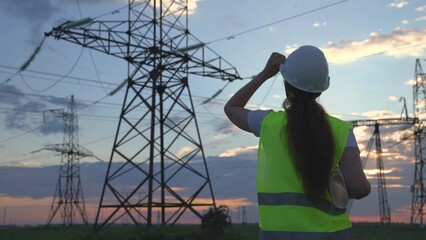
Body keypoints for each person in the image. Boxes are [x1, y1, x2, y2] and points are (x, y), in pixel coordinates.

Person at [224, 45, 371, 240]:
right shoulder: (341, 130)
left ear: (286, 85)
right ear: (321, 89)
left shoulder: (268, 124)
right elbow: (359, 188)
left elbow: (232, 107)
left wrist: (265, 74)